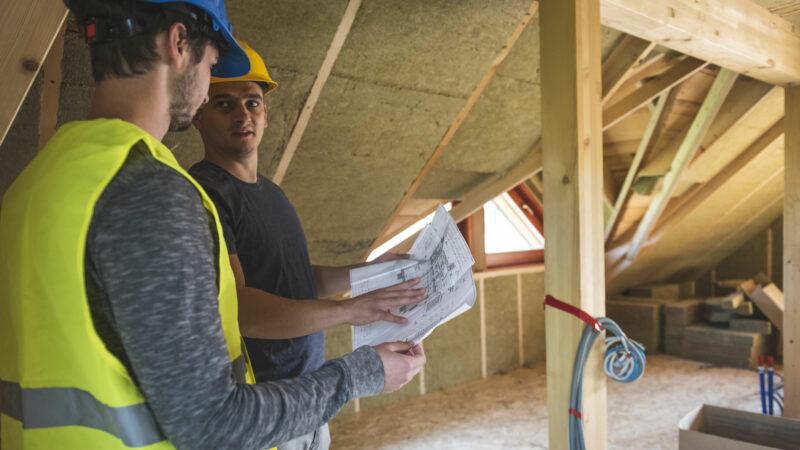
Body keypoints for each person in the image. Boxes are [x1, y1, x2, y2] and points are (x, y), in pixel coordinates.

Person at [0, 1, 425, 449]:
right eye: (212, 63)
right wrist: (361, 373)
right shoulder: (150, 195)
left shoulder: (37, 178)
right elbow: (215, 425)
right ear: (178, 43)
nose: (206, 88)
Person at [189, 41, 424, 450]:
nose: (243, 114)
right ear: (197, 114)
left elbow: (299, 281)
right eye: (224, 104)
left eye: (253, 102)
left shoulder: (272, 195)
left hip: (310, 396)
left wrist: (370, 272)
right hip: (264, 406)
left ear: (266, 116)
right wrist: (349, 311)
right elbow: (241, 310)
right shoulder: (206, 192)